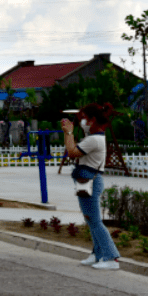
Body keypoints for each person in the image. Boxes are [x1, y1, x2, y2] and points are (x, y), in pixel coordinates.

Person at [61, 102, 122, 271]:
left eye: (84, 119)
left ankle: (111, 257)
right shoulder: (94, 138)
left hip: (90, 181)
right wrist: (69, 133)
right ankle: (97, 254)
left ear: (93, 120)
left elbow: (72, 152)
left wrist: (69, 132)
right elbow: (73, 152)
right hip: (88, 180)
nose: (82, 122)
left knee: (94, 221)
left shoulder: (94, 139)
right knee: (91, 220)